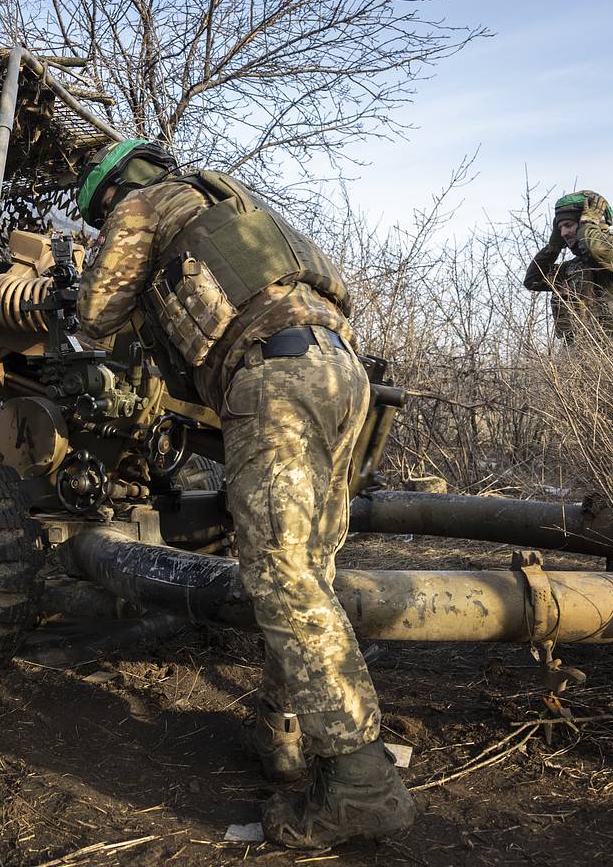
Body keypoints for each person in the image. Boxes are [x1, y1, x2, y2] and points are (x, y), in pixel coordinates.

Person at [73, 139, 415, 848]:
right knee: (308, 574)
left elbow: (97, 315)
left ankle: (359, 782)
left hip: (272, 379)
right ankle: (286, 738)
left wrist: (82, 277)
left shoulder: (142, 205)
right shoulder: (239, 209)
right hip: (341, 374)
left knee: (283, 576)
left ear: (110, 193)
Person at [523, 190, 613, 342]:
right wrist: (553, 247)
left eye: (568, 225)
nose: (563, 233)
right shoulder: (572, 269)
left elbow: (595, 248)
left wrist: (588, 223)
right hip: (578, 361)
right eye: (559, 228)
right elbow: (533, 280)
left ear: (596, 222)